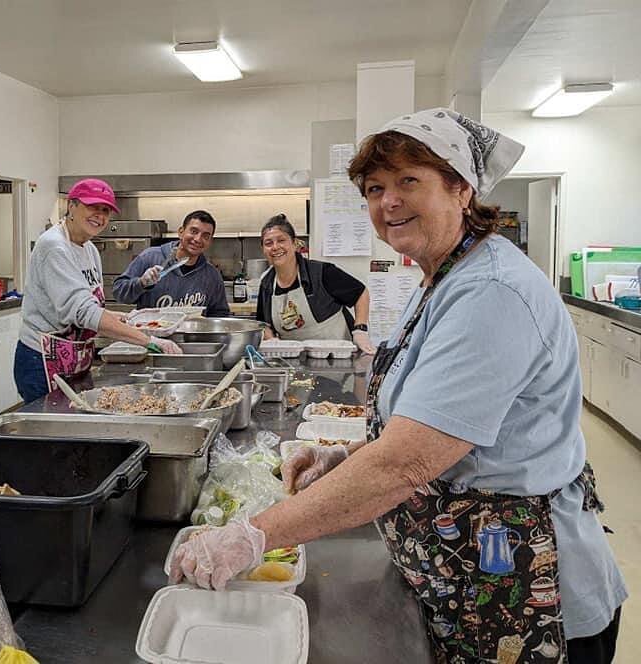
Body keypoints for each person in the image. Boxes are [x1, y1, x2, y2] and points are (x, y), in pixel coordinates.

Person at [169, 109, 625, 663]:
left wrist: (253, 534)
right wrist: (344, 456)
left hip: (526, 588)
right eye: (374, 188)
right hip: (463, 575)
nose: (387, 202)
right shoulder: (441, 277)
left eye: (410, 180)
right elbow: (439, 428)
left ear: (461, 189)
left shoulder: (492, 293)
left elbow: (405, 465)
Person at [14, 179, 181, 404]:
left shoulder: (90, 249)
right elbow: (83, 311)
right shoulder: (54, 246)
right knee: (52, 432)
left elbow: (90, 308)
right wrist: (149, 340)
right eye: (92, 206)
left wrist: (125, 318)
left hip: (75, 359)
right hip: (41, 360)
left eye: (106, 210)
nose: (99, 215)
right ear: (71, 206)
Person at [256, 214, 375, 353]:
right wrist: (271, 342)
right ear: (263, 249)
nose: (275, 247)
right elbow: (263, 324)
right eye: (268, 243)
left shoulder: (321, 272)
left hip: (338, 358)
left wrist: (360, 330)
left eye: (281, 240)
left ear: (294, 244)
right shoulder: (266, 283)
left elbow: (360, 293)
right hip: (295, 361)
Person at [112, 210, 231, 317]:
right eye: (194, 231)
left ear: (210, 242)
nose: (198, 239)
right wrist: (141, 283)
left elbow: (220, 314)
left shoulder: (212, 276)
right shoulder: (149, 257)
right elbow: (118, 292)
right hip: (151, 338)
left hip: (191, 340)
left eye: (206, 236)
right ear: (181, 232)